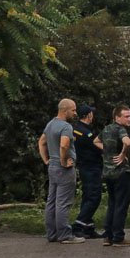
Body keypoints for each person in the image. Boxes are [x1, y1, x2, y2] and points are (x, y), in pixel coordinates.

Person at [37, 98, 85, 243]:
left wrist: (46, 160)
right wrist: (63, 161)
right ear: (65, 110)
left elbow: (41, 142)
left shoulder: (50, 124)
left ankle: (52, 234)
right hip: (64, 169)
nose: (75, 113)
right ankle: (65, 235)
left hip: (52, 166)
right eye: (73, 110)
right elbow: (64, 145)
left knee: (51, 201)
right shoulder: (66, 127)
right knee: (63, 202)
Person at [100, 104, 130, 247]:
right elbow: (128, 142)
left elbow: (96, 141)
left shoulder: (106, 129)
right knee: (121, 204)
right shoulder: (121, 129)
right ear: (117, 117)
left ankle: (108, 236)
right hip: (121, 172)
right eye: (126, 116)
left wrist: (108, 153)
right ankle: (118, 237)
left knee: (112, 203)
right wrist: (122, 154)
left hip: (108, 172)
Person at [70, 104, 104, 239]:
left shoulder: (75, 129)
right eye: (92, 113)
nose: (93, 115)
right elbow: (98, 147)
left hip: (84, 166)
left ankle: (88, 228)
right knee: (94, 197)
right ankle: (78, 225)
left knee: (88, 196)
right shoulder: (87, 133)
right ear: (88, 115)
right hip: (92, 167)